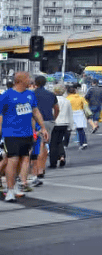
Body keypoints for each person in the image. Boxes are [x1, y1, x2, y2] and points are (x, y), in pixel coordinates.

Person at [0, 72, 50, 202]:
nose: (30, 80)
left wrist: (42, 128)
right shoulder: (6, 96)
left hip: (27, 133)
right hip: (11, 133)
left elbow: (35, 111)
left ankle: (15, 186)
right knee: (12, 160)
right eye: (28, 78)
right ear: (20, 80)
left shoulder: (30, 94)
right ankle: (10, 191)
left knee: (23, 161)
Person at [32, 76, 58, 182]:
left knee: (38, 146)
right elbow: (57, 109)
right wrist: (53, 119)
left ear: (35, 83)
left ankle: (37, 170)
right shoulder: (51, 94)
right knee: (45, 145)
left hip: (36, 122)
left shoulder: (31, 94)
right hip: (48, 121)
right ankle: (42, 169)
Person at [50, 84, 72, 169]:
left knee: (53, 143)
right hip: (65, 123)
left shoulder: (53, 100)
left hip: (55, 123)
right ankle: (62, 156)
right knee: (59, 141)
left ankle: (53, 162)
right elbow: (70, 114)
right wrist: (70, 126)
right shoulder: (67, 101)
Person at [66, 84, 89, 149]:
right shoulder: (80, 97)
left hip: (71, 114)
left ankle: (65, 144)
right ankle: (83, 142)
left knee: (68, 130)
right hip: (80, 113)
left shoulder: (67, 99)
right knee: (80, 129)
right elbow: (86, 104)